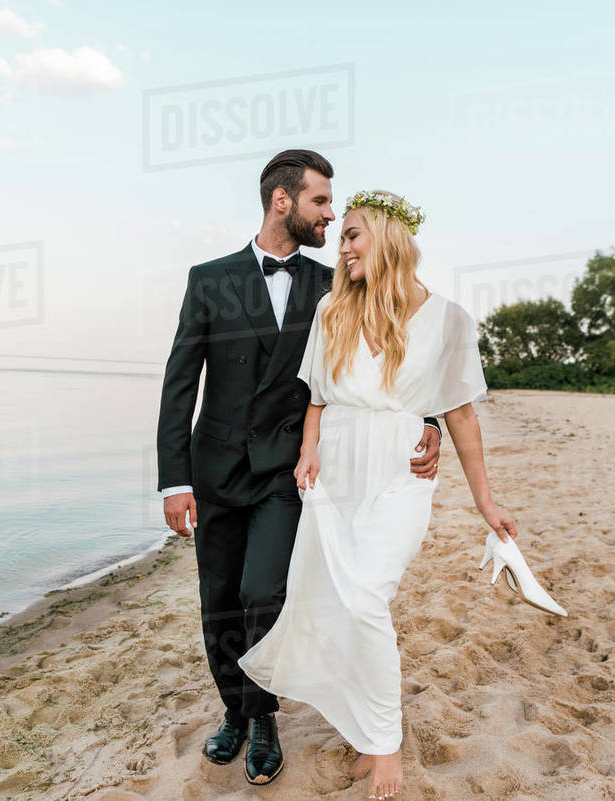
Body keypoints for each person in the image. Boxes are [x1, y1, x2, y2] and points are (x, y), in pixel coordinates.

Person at [156, 154, 445, 786]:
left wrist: (431, 422)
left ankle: (263, 719)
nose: (331, 215)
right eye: (320, 202)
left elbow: (404, 350)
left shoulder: (333, 284)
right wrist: (174, 480)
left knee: (265, 593)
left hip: (288, 473)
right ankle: (235, 710)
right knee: (219, 601)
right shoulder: (209, 280)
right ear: (283, 202)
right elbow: (180, 384)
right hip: (215, 470)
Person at [237, 189, 517, 801]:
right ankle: (367, 736)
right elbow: (314, 394)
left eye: (354, 235)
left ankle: (384, 744)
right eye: (342, 237)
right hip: (333, 472)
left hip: (399, 472)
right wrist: (309, 447)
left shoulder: (447, 319)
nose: (343, 246)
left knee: (364, 596)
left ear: (388, 238)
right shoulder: (334, 307)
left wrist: (485, 503)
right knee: (341, 605)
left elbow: (461, 416)